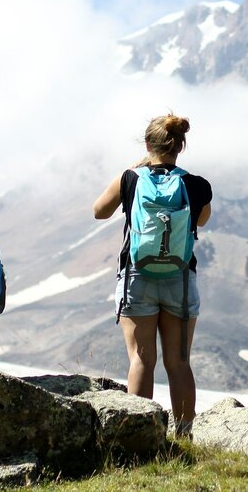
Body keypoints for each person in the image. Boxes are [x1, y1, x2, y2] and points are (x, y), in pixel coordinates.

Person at [93, 113, 212, 436]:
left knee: (142, 360)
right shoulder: (196, 185)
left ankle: (138, 435)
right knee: (180, 362)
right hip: (180, 279)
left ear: (148, 145)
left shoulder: (130, 179)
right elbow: (201, 221)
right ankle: (184, 434)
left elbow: (98, 211)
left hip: (138, 277)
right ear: (181, 146)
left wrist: (135, 171)